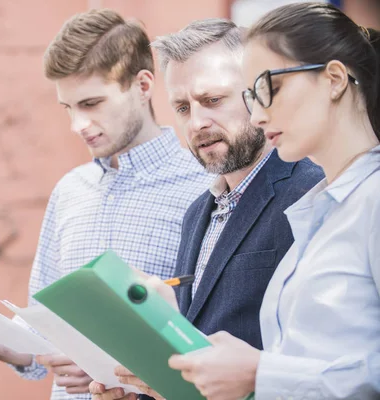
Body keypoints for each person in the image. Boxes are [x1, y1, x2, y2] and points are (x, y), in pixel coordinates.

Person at [0, 9, 212, 400]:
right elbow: (43, 333)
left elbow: (209, 338)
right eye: (68, 107)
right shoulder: (69, 192)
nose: (77, 124)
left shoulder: (204, 186)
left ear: (143, 85)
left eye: (91, 103)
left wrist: (107, 369)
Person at [90, 18, 324, 400]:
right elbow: (193, 355)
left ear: (258, 94)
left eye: (212, 100)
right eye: (182, 108)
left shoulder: (313, 192)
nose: (197, 122)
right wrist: (145, 388)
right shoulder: (197, 214)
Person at [162, 3, 380, 400]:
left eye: (269, 88)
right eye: (252, 94)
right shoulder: (318, 209)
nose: (258, 115)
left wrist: (261, 373)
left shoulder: (366, 201)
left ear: (333, 79)